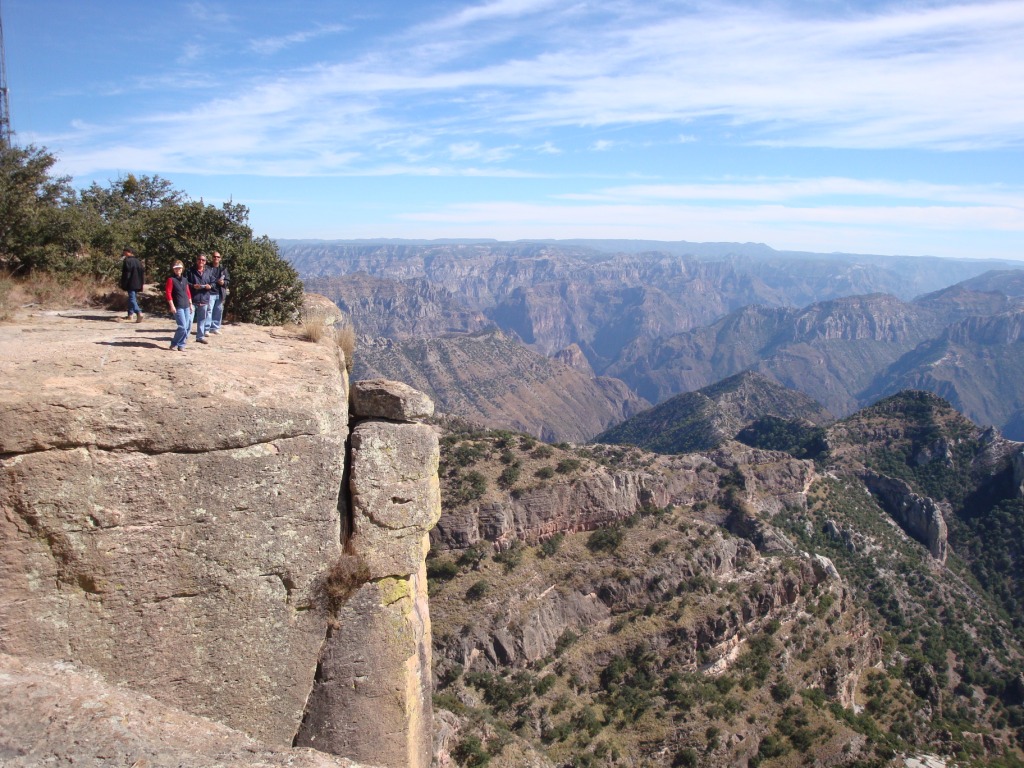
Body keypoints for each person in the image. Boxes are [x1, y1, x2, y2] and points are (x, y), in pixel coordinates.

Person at [186, 253, 214, 344]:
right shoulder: (190, 271)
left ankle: (200, 337)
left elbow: (213, 282)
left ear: (205, 262)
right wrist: (193, 286)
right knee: (189, 320)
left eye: (203, 260)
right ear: (196, 260)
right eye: (199, 259)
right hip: (193, 299)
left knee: (202, 320)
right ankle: (185, 336)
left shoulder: (209, 271)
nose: (201, 261)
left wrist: (210, 286)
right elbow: (185, 283)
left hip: (205, 298)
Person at [165, 261, 193, 351]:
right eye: (176, 268)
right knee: (182, 326)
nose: (178, 270)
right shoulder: (171, 280)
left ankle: (181, 345)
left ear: (182, 269)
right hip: (178, 306)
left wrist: (190, 304)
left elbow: (187, 292)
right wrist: (172, 306)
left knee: (188, 326)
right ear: (173, 269)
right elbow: (168, 293)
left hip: (186, 305)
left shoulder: (185, 280)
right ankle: (174, 343)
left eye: (180, 268)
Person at [119, 247, 145, 323]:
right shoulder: (138, 261)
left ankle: (139, 312)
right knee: (132, 297)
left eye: (125, 251)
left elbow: (126, 274)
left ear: (129, 252)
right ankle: (130, 315)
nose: (123, 253)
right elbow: (142, 274)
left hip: (130, 283)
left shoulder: (127, 261)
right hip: (138, 283)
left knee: (132, 298)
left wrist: (124, 283)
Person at [207, 250, 229, 334]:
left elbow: (227, 280)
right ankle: (207, 328)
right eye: (214, 256)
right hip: (210, 292)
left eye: (218, 257)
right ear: (212, 258)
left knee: (218, 310)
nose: (216, 258)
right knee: (209, 310)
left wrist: (223, 283)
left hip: (219, 293)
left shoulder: (223, 269)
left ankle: (215, 328)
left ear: (220, 258)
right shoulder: (207, 268)